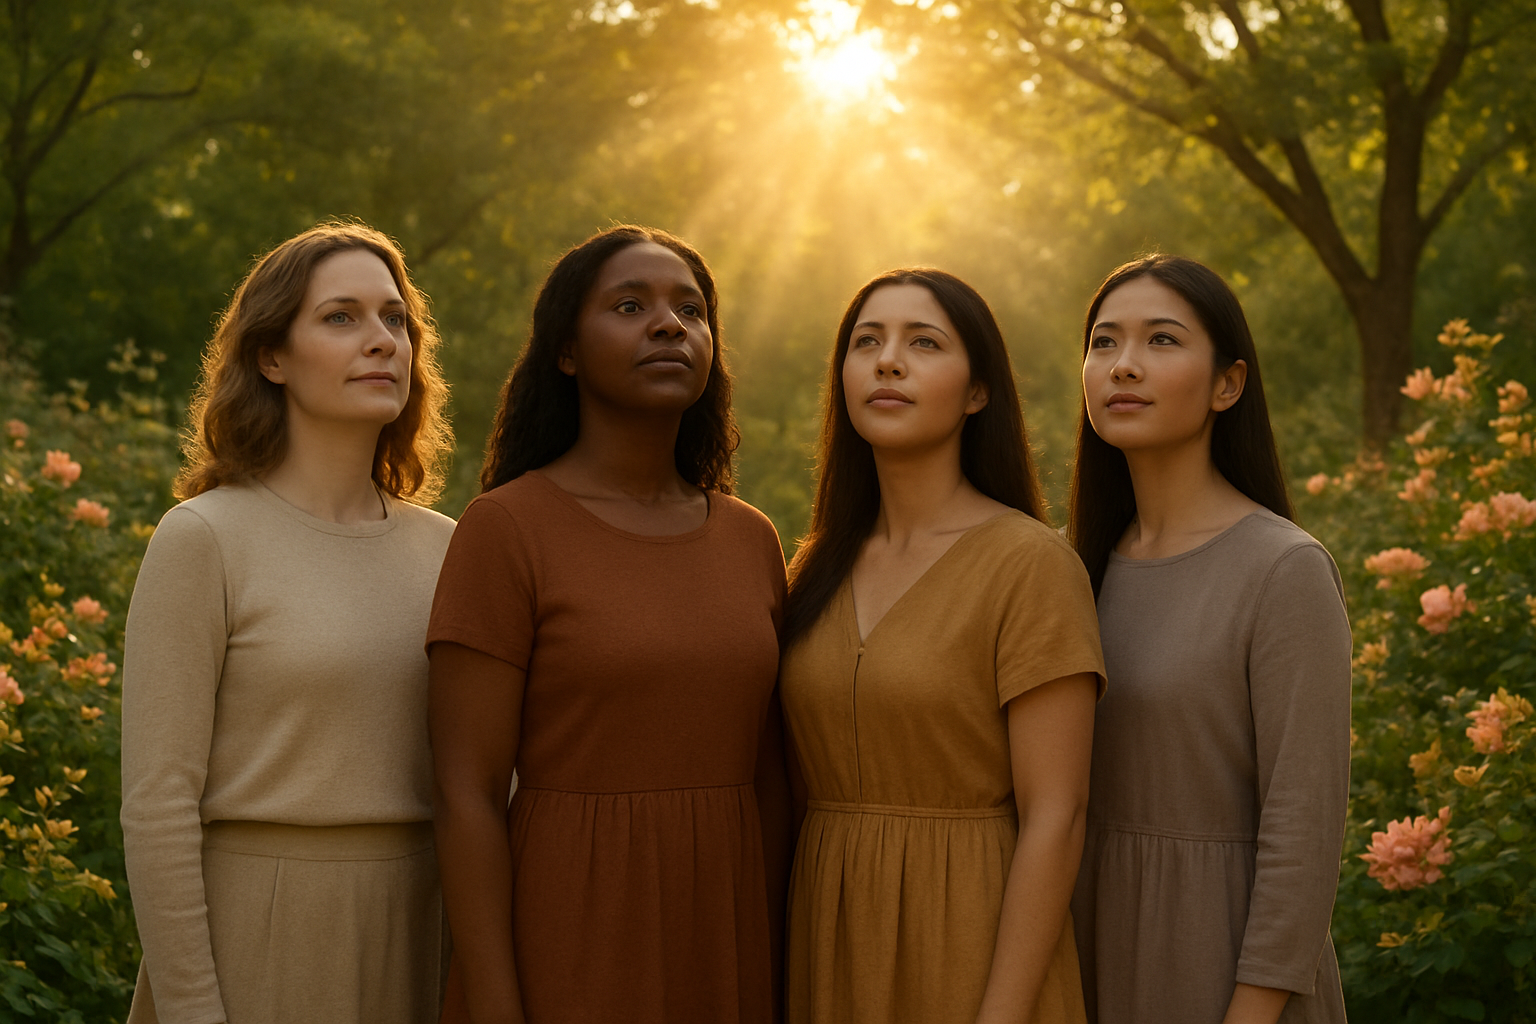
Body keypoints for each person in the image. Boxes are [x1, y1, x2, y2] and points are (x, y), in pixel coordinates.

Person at [426, 225, 791, 1024]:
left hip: (721, 937)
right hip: (567, 934)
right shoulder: (506, 529)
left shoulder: (752, 539)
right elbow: (468, 795)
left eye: (691, 312)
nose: (669, 325)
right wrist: (494, 1003)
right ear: (565, 352)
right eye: (631, 306)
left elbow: (770, 782)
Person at [120, 221, 457, 1023]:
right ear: (271, 356)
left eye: (394, 319)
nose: (380, 340)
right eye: (341, 317)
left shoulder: (451, 549)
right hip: (255, 936)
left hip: (418, 931)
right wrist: (194, 1012)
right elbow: (158, 802)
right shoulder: (204, 537)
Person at [780, 268, 1106, 1024]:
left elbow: (1058, 815)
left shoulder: (1029, 563)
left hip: (973, 935)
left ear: (978, 392)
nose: (887, 361)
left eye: (922, 343)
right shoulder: (815, 566)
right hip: (830, 937)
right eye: (867, 343)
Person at [1067, 254, 1351, 1024]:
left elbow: (1304, 828)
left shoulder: (1283, 569)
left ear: (1228, 384)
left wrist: (1250, 1013)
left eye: (1161, 341)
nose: (1124, 366)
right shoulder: (1070, 570)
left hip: (1227, 964)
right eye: (1104, 343)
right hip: (1088, 951)